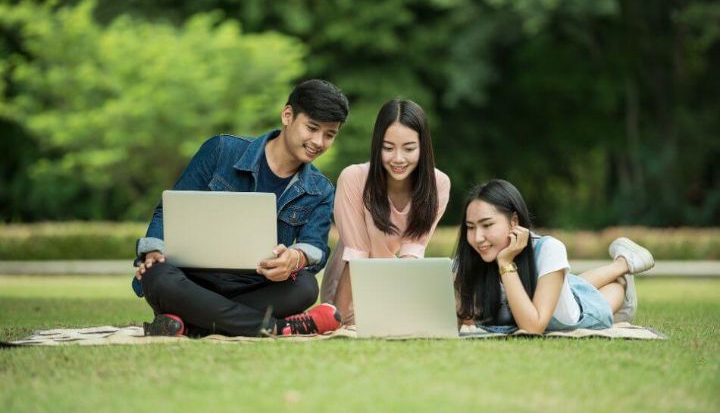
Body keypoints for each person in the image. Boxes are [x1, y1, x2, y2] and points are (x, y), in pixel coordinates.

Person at [133, 79, 349, 337]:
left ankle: (189, 323)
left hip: (256, 286)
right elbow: (168, 210)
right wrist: (154, 250)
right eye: (312, 128)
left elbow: (314, 246)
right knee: (156, 275)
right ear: (287, 115)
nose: (319, 141)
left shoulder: (321, 189)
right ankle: (278, 327)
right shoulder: (221, 150)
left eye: (329, 135)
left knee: (305, 287)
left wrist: (296, 258)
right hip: (191, 281)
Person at [454, 179, 655, 334]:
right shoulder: (470, 258)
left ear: (514, 221)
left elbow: (533, 327)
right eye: (471, 228)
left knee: (611, 288)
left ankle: (622, 268)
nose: (478, 237)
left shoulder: (549, 249)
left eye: (487, 225)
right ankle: (623, 262)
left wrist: (506, 263)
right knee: (570, 283)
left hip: (578, 311)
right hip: (561, 287)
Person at [320, 99, 451, 325]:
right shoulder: (354, 178)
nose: (398, 159)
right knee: (352, 323)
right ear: (377, 145)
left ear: (423, 147)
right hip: (349, 278)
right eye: (388, 148)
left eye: (409, 148)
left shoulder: (438, 184)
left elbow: (412, 253)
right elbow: (355, 256)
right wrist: (338, 322)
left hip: (395, 276)